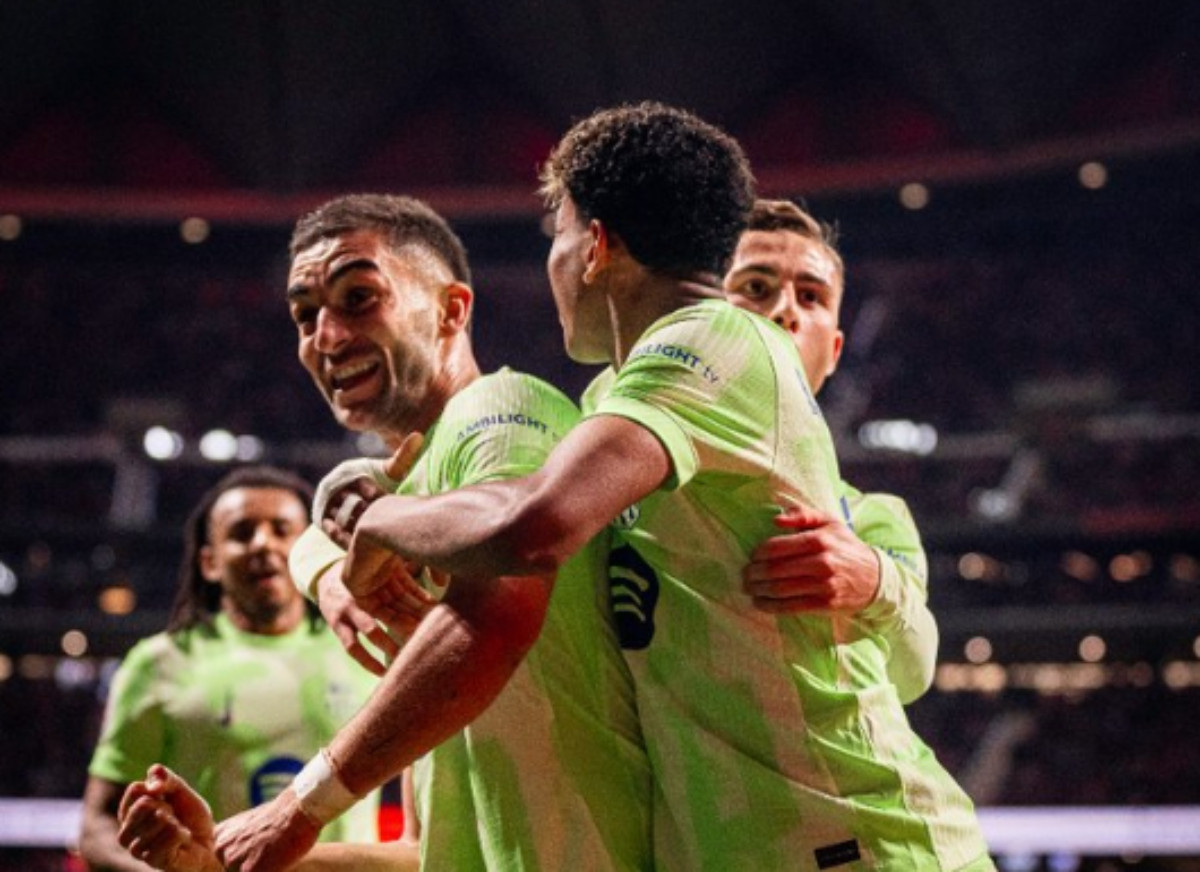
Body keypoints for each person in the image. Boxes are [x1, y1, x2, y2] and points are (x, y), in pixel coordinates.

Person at [127, 105, 992, 870]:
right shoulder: (612, 413)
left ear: (596, 246)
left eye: (557, 231)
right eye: (304, 315)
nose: (324, 335)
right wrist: (329, 540)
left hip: (860, 837)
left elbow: (531, 525)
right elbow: (439, 849)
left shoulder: (713, 341)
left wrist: (377, 522)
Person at [119, 194, 651, 872]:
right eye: (305, 315)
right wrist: (219, 858)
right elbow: (423, 854)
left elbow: (493, 621)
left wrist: (297, 808)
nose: (326, 336)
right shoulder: (409, 500)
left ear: (451, 310)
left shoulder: (502, 408)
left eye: (359, 299)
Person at [79, 466, 385, 872]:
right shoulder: (157, 663)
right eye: (242, 533)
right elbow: (96, 829)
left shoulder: (366, 648)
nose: (263, 543)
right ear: (210, 562)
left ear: (310, 550)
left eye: (282, 530)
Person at [724, 198, 939, 704]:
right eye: (756, 288)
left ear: (835, 352)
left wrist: (876, 582)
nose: (785, 311)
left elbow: (914, 673)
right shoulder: (632, 466)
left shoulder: (872, 517)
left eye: (811, 296)